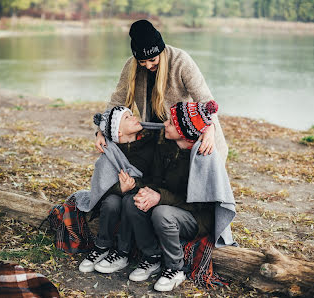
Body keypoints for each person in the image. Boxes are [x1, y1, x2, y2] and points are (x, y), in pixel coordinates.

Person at [94, 101, 236, 292]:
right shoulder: (166, 146)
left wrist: (159, 197)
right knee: (131, 201)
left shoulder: (204, 156)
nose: (165, 124)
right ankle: (151, 257)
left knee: (161, 213)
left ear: (183, 131)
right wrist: (139, 188)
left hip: (196, 216)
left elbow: (198, 204)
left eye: (170, 122)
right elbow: (154, 179)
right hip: (170, 204)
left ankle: (175, 268)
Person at [95, 19, 228, 164]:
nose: (148, 65)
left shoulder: (181, 61)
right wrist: (101, 131)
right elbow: (117, 101)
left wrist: (210, 129)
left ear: (160, 50)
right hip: (152, 131)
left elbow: (205, 100)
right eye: (142, 61)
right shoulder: (131, 67)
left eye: (152, 59)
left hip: (180, 131)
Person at [78, 106, 158, 273]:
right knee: (111, 202)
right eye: (127, 117)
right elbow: (101, 187)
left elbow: (156, 177)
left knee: (130, 201)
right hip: (118, 192)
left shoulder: (149, 145)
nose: (134, 117)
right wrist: (119, 188)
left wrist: (134, 184)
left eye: (131, 114)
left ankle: (122, 253)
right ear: (118, 133)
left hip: (142, 192)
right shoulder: (111, 152)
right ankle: (102, 246)